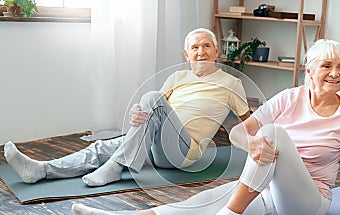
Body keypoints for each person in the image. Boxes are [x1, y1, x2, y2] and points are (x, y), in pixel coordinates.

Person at [71, 39, 340, 215]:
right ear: (309, 69)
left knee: (272, 134)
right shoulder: (289, 98)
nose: (336, 74)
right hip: (266, 193)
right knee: (199, 203)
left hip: (308, 205)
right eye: (327, 65)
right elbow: (239, 132)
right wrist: (250, 145)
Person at [3, 28, 250, 187]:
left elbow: (250, 123)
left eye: (206, 46)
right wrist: (137, 115)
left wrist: (265, 146)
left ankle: (117, 165)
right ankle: (41, 170)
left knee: (152, 97)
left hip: (184, 153)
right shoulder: (177, 78)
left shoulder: (231, 83)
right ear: (186, 54)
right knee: (102, 147)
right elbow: (153, 112)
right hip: (157, 145)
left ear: (217, 51)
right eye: (195, 47)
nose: (201, 52)